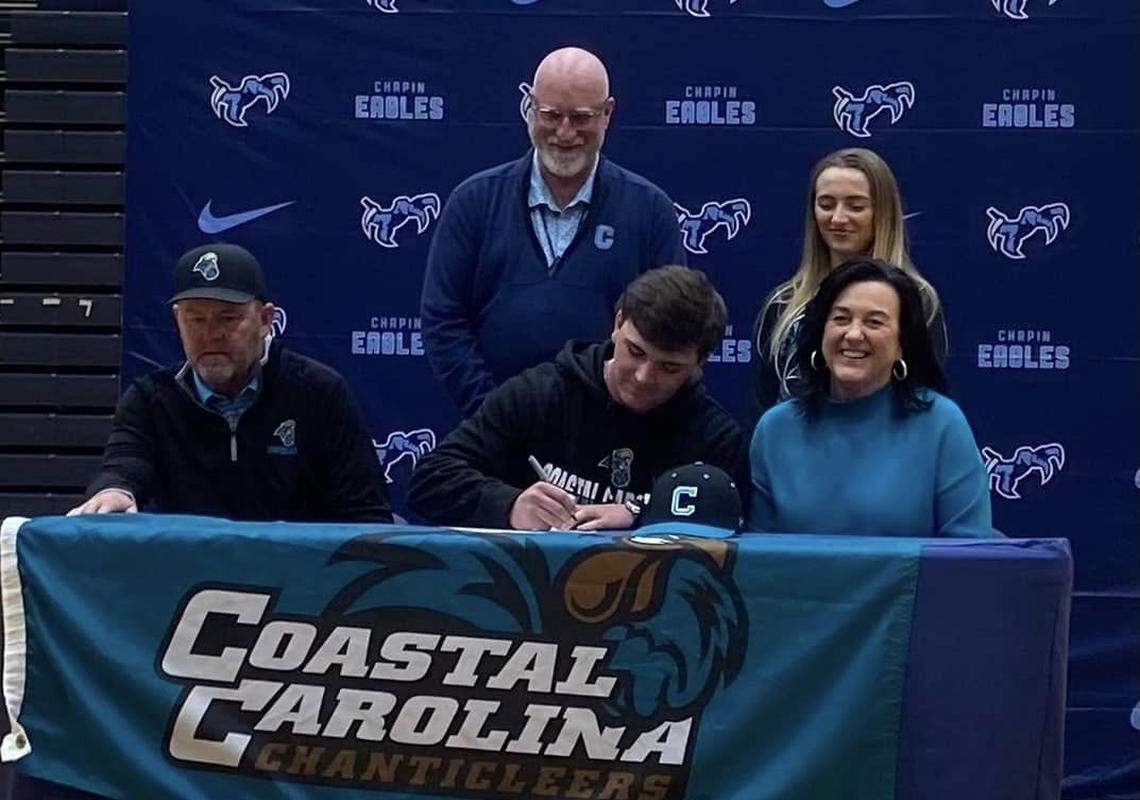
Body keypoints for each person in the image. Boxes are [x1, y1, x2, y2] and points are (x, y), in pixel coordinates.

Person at [420, 47, 686, 418]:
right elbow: (443, 320)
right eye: (551, 115)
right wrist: (495, 415)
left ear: (607, 114)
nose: (564, 132)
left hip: (614, 434)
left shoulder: (651, 211)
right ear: (529, 106)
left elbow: (669, 330)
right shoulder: (474, 201)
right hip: (488, 434)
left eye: (581, 118)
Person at [70, 243, 391, 523]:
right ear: (177, 322)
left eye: (228, 318)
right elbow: (124, 466)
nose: (211, 334)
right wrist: (114, 492)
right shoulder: (149, 399)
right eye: (196, 319)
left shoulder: (319, 391)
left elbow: (364, 512)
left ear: (265, 320)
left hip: (300, 579)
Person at [409, 266, 745, 532]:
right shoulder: (540, 393)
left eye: (669, 367)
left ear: (700, 361)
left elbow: (731, 527)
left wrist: (638, 515)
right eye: (635, 351)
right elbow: (430, 479)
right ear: (617, 323)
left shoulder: (713, 438)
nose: (644, 376)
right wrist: (509, 506)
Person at [748, 259, 992, 538]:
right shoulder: (776, 429)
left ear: (902, 343)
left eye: (874, 322)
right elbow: (758, 558)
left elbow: (971, 557)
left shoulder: (942, 424)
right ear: (820, 332)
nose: (853, 334)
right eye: (840, 318)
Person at [752, 147, 947, 417]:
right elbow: (761, 407)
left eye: (855, 206)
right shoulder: (783, 303)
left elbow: (926, 403)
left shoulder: (918, 301)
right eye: (826, 204)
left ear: (882, 213)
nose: (838, 218)